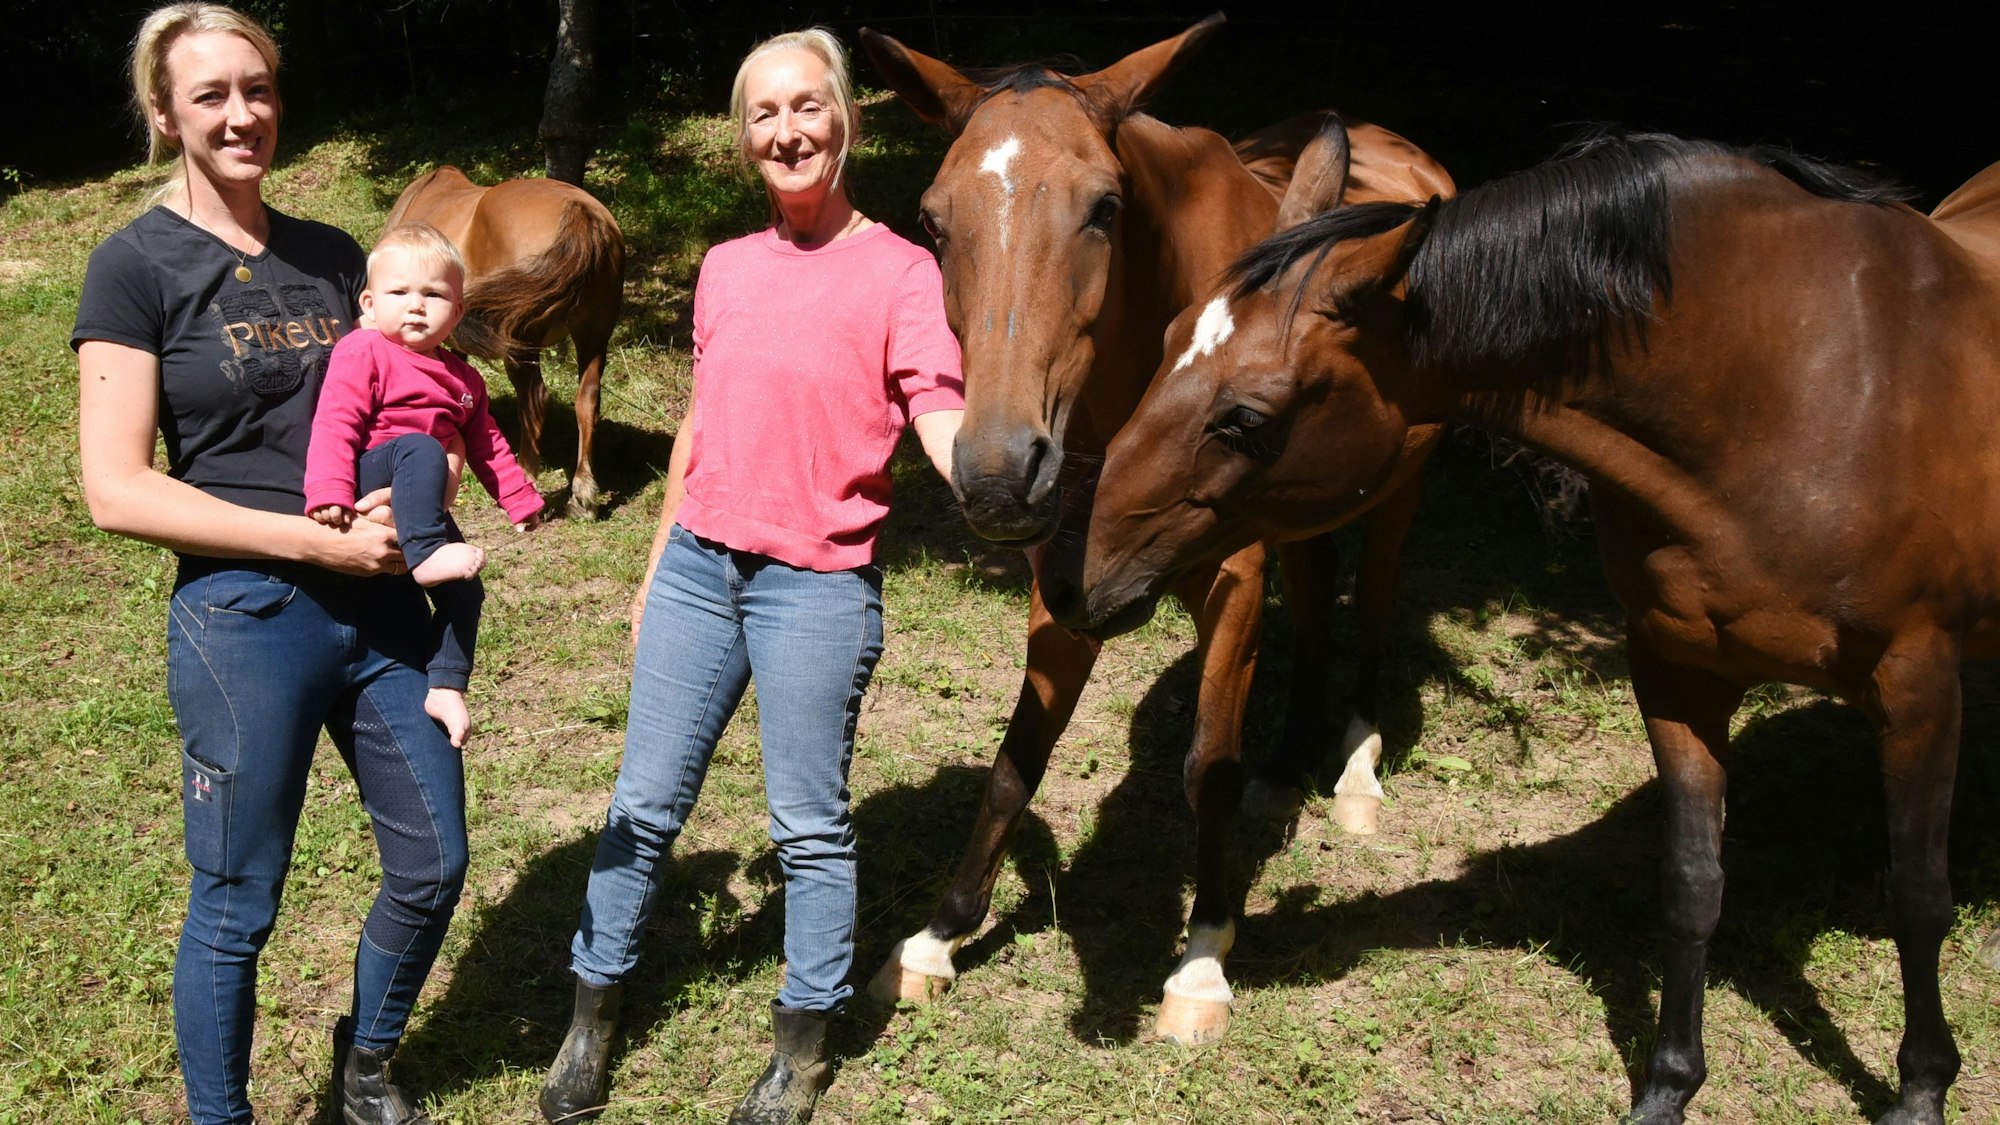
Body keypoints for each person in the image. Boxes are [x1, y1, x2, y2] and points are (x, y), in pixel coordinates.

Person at [538, 27, 965, 1125]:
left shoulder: (901, 271)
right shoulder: (726, 267)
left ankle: (802, 1046)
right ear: (743, 139)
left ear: (846, 119)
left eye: (806, 105)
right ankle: (591, 1015)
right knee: (642, 803)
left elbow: (936, 402)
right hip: (696, 566)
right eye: (763, 114)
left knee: (807, 828)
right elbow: (699, 426)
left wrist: (985, 472)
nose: (787, 131)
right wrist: (651, 574)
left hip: (816, 586)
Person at [73, 6, 464, 1123]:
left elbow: (408, 399)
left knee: (433, 863)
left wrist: (428, 472)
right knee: (239, 899)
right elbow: (116, 488)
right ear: (165, 115)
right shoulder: (134, 266)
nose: (243, 113)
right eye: (211, 95)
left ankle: (365, 1064)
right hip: (245, 614)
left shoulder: (335, 255)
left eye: (258, 88)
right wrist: (314, 539)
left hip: (383, 611)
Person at [304, 221, 545, 749]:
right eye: (399, 293)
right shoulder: (363, 350)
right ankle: (427, 552)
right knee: (420, 446)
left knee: (467, 593)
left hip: (421, 491)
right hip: (373, 470)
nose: (416, 306)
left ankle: (446, 684)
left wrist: (519, 498)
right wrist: (328, 490)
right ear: (370, 304)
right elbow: (335, 421)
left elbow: (487, 443)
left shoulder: (465, 379)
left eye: (433, 295)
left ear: (457, 313)